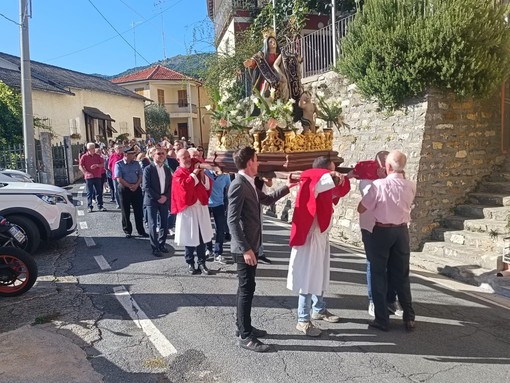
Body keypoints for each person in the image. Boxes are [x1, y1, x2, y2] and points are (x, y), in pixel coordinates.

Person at [227, 146, 297, 353]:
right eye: (256, 160)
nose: (258, 164)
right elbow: (232, 221)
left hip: (252, 244)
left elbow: (265, 200)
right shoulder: (238, 185)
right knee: (247, 290)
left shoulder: (247, 182)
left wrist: (288, 187)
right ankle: (245, 336)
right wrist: (246, 249)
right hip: (245, 248)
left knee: (245, 288)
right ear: (249, 163)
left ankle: (243, 326)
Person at [287, 156, 351, 336]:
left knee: (320, 275)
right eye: (332, 170)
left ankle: (319, 308)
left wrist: (349, 176)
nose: (335, 174)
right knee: (309, 277)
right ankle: (303, 319)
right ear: (323, 171)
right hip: (311, 237)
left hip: (321, 236)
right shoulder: (313, 180)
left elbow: (336, 189)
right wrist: (332, 175)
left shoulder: (320, 182)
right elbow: (322, 181)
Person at [357, 150, 417, 332]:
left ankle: (382, 319)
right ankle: (409, 316)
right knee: (402, 274)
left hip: (381, 231)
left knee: (378, 274)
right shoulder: (411, 185)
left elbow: (361, 208)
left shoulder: (378, 185)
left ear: (387, 166)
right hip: (401, 231)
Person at [348, 151, 403, 318]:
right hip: (371, 227)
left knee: (393, 265)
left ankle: (391, 299)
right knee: (375, 265)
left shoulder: (392, 181)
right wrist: (383, 179)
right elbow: (373, 200)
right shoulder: (367, 182)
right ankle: (374, 301)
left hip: (390, 226)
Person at [171, 148, 214, 275]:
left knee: (201, 236)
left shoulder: (195, 168)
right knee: (190, 236)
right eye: (184, 157)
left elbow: (207, 185)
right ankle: (190, 263)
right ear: (178, 160)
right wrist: (194, 174)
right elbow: (185, 187)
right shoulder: (178, 173)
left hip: (200, 207)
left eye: (188, 156)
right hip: (188, 209)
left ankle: (202, 263)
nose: (188, 159)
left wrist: (200, 175)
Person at [143, 147, 172, 257]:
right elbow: (146, 187)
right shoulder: (148, 169)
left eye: (163, 154)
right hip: (152, 200)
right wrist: (158, 197)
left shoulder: (166, 169)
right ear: (153, 155)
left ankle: (162, 244)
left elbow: (170, 185)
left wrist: (165, 196)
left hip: (164, 200)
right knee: (153, 223)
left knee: (164, 223)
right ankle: (154, 247)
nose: (161, 155)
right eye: (158, 153)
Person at [115, 146, 148, 238]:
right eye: (132, 154)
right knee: (125, 211)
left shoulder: (136, 164)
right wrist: (129, 186)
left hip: (136, 188)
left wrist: (137, 184)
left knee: (138, 210)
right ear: (126, 154)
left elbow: (140, 175)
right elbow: (119, 178)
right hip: (124, 188)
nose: (134, 155)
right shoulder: (119, 164)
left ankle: (141, 230)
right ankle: (127, 231)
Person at [204, 168, 231, 264]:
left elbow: (228, 188)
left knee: (220, 229)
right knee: (206, 228)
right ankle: (208, 249)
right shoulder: (205, 172)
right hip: (206, 204)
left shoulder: (226, 176)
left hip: (219, 204)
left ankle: (218, 253)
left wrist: (227, 202)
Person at [244, 33, 281, 98]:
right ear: (267, 45)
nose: (273, 42)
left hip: (278, 75)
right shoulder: (262, 55)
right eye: (270, 42)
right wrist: (250, 62)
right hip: (267, 77)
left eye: (274, 41)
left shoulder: (280, 54)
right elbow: (255, 59)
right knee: (266, 85)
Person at [79, 142, 106, 213]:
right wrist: (86, 173)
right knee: (89, 192)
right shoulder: (84, 156)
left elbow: (103, 164)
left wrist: (97, 165)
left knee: (99, 192)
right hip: (89, 177)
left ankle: (100, 206)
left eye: (94, 148)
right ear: (88, 149)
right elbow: (80, 166)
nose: (93, 149)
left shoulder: (98, 156)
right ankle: (89, 206)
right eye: (92, 148)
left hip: (97, 176)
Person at [254, 176, 274, 265]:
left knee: (259, 228)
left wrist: (266, 179)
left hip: (259, 201)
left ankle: (259, 253)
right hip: (250, 199)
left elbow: (270, 184)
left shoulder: (263, 171)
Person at [108, 144, 124, 209]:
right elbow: (109, 166)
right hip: (115, 176)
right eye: (117, 148)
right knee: (116, 190)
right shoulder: (112, 156)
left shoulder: (124, 155)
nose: (119, 149)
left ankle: (124, 203)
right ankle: (118, 203)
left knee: (124, 190)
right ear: (115, 149)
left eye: (120, 148)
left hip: (124, 176)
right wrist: (114, 171)